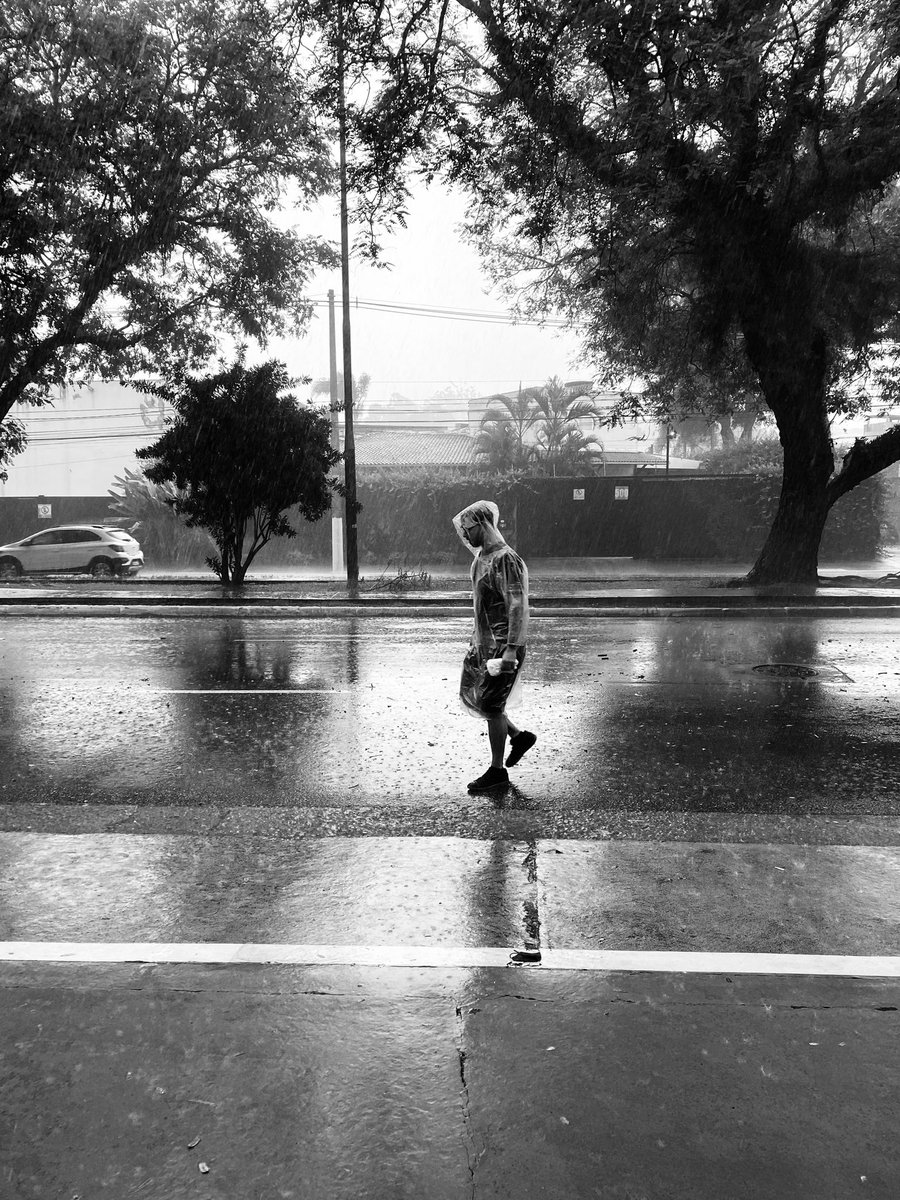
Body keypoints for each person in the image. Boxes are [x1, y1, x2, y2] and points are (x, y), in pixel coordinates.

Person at [453, 499, 537, 792]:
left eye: (468, 528)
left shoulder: (506, 559)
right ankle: (518, 736)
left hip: (504, 646)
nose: (465, 535)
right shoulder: (480, 560)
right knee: (475, 696)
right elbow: (481, 607)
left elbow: (517, 606)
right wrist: (476, 643)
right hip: (484, 646)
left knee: (491, 704)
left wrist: (511, 648)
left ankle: (497, 770)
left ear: (483, 524)